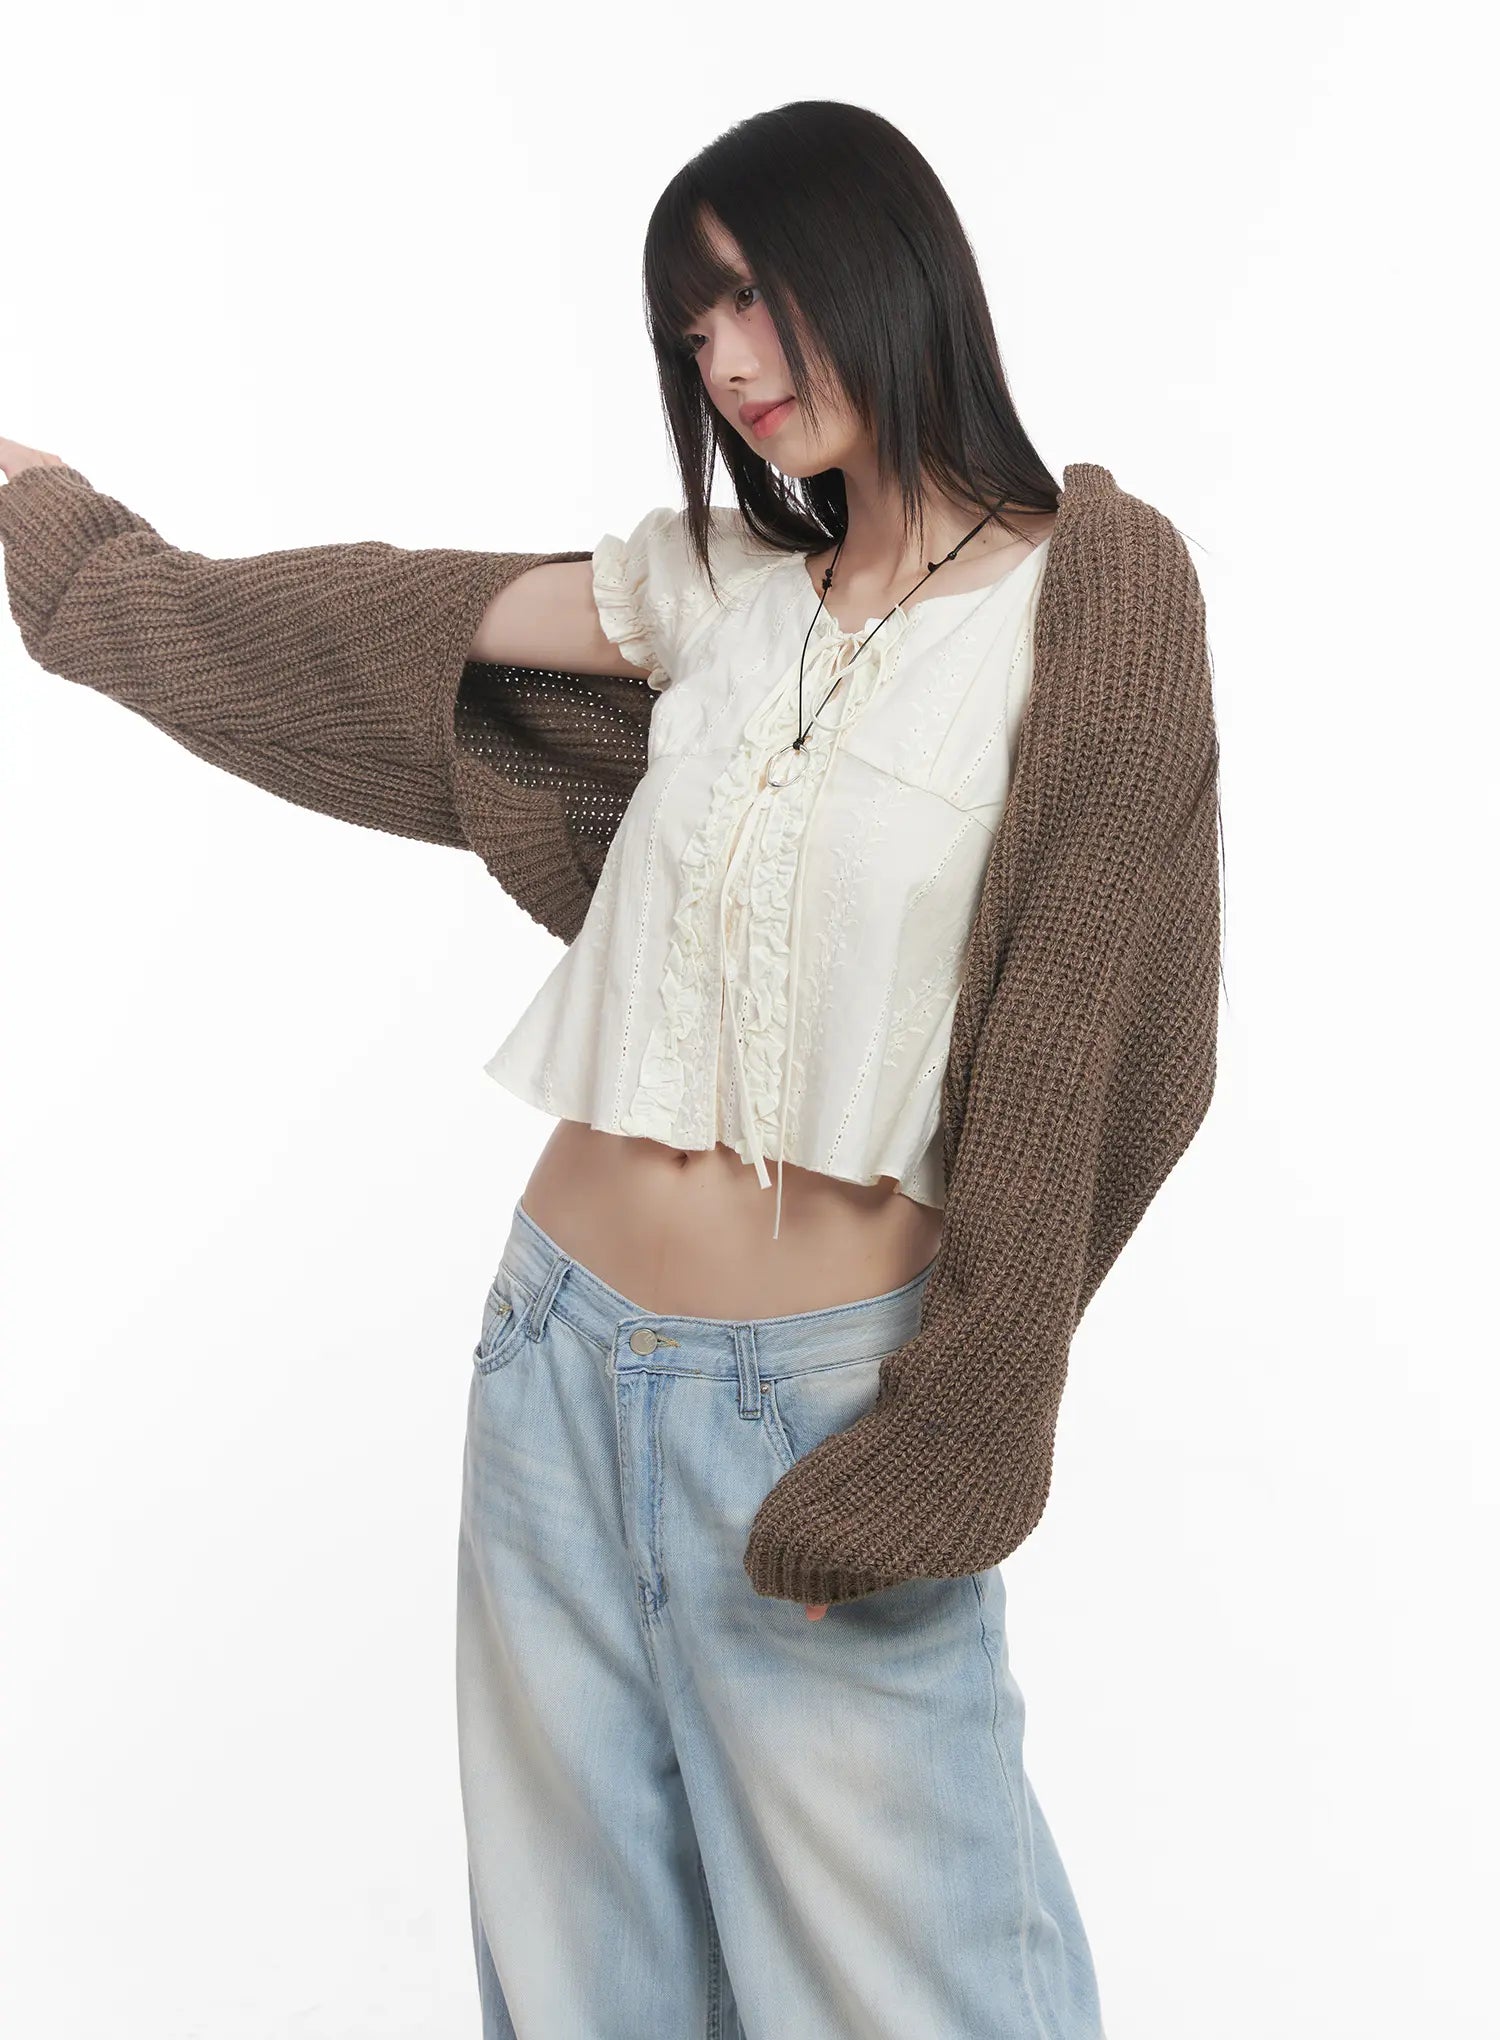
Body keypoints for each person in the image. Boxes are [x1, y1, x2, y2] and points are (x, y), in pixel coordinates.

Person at [0, 98, 1221, 2040]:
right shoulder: (721, 591)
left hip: (829, 1411)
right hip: (551, 1362)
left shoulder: (1099, 600)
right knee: (578, 1992)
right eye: (690, 324)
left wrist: (953, 1440)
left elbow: (1098, 1059)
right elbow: (368, 630)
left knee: (918, 1991)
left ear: (887, 264)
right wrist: (75, 548)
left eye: (754, 294)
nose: (725, 357)